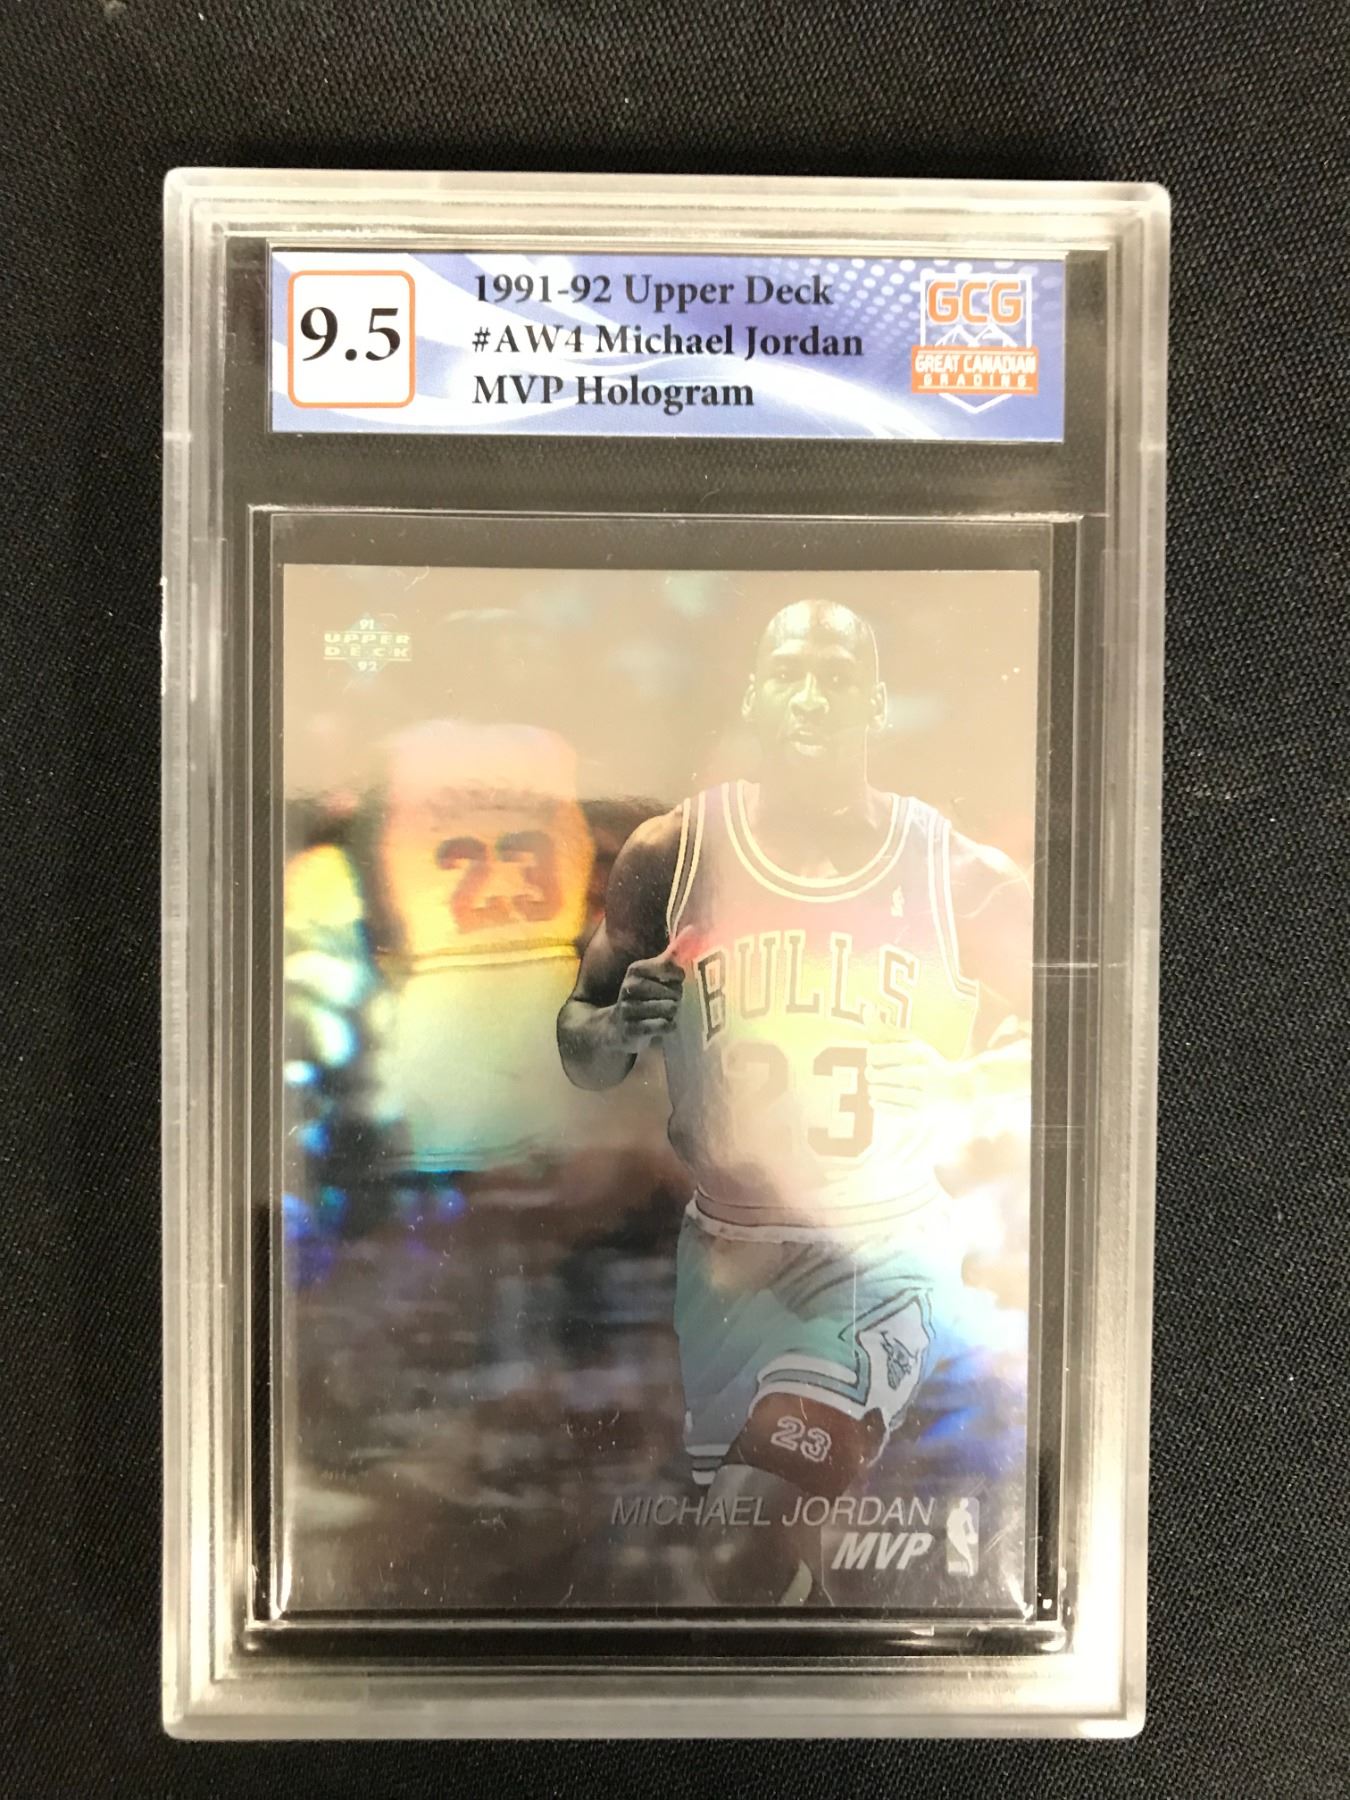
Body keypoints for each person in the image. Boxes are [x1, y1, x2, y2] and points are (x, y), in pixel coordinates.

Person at [558, 599, 1031, 1605]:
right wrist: (619, 1030)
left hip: (875, 1257)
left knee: (744, 1534)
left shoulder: (950, 872)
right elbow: (582, 1047)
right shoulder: (671, 854)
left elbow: (1087, 1023)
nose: (810, 696)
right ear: (754, 696)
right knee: (758, 1562)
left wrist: (964, 1085)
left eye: (836, 677)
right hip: (723, 1256)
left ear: (876, 704)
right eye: (789, 674)